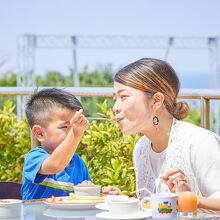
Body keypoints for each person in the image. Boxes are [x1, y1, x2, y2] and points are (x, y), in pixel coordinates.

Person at [102, 58, 220, 210]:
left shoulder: (198, 141)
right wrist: (125, 201)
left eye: (124, 97)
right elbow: (156, 210)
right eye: (115, 99)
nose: (115, 107)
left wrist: (191, 200)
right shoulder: (141, 148)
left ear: (156, 101)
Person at [21, 88, 91, 200]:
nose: (73, 130)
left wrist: (91, 189)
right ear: (39, 133)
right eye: (65, 126)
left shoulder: (78, 163)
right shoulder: (34, 158)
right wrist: (75, 133)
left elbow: (86, 197)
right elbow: (55, 164)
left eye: (76, 125)